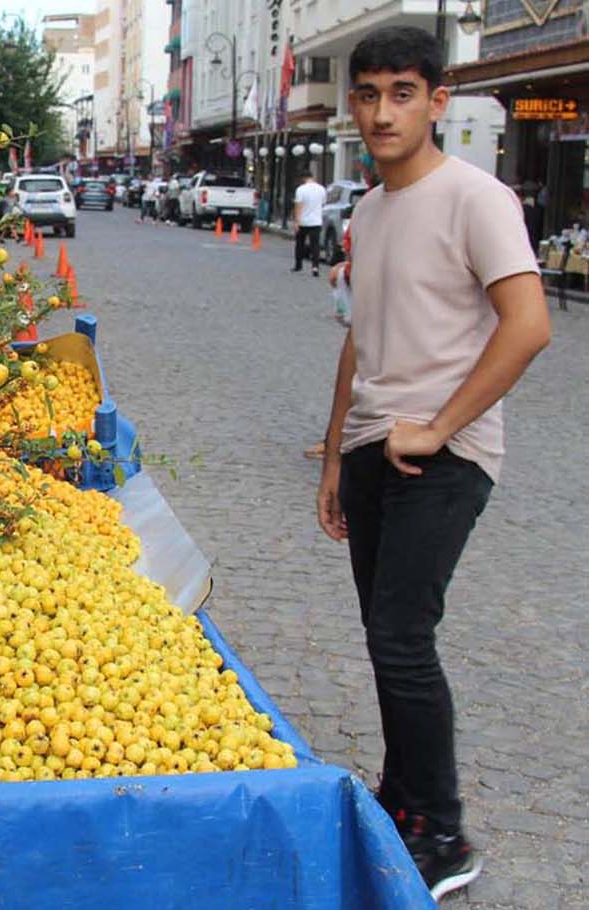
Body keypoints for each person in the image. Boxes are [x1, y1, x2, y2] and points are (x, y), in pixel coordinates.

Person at [315, 26, 550, 900]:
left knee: (404, 638)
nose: (382, 111)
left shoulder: (476, 199)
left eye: (402, 93)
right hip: (374, 446)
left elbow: (529, 326)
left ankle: (444, 829)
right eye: (368, 93)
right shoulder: (370, 209)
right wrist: (337, 452)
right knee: (387, 638)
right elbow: (359, 341)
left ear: (438, 101)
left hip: (446, 454)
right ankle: (405, 800)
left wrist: (440, 425)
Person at [291, 168, 326, 276]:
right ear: (312, 177)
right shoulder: (321, 189)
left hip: (303, 221)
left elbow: (298, 206)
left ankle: (298, 265)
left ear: (302, 178)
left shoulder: (301, 189)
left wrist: (296, 221)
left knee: (300, 244)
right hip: (316, 221)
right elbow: (323, 203)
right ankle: (315, 267)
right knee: (315, 245)